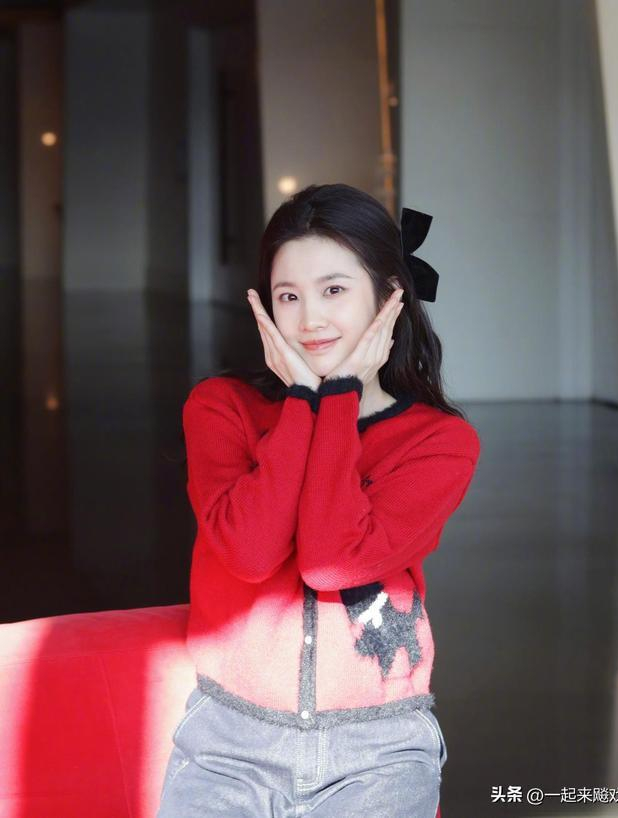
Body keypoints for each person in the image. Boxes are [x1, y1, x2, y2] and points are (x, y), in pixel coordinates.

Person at [156, 183, 481, 818]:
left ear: (389, 297)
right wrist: (305, 404)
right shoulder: (220, 408)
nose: (309, 320)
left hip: (379, 749)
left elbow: (334, 562)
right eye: (288, 296)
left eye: (334, 290)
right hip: (227, 745)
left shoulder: (439, 442)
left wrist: (336, 398)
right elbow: (249, 553)